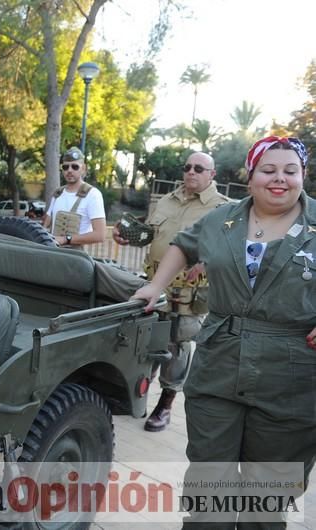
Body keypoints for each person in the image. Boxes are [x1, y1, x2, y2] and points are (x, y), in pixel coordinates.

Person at [132, 137, 316, 526]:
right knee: (208, 482)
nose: (279, 179)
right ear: (251, 177)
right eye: (268, 170)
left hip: (291, 371)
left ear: (304, 176)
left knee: (266, 491)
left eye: (290, 171)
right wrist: (156, 285)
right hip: (220, 360)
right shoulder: (222, 218)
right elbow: (184, 244)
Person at [113, 151, 229, 432]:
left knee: (178, 344)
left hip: (189, 291)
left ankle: (166, 403)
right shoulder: (167, 199)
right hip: (155, 284)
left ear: (212, 175)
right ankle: (140, 392)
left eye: (199, 168)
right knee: (149, 339)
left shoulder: (222, 208)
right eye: (188, 167)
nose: (191, 172)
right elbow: (152, 235)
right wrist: (128, 238)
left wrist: (206, 262)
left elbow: (229, 249)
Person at [42, 146, 106, 247]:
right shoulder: (58, 193)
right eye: (65, 167)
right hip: (53, 253)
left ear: (83, 168)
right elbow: (45, 226)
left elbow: (100, 235)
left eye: (75, 167)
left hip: (76, 257)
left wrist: (66, 239)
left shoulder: (93, 195)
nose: (69, 170)